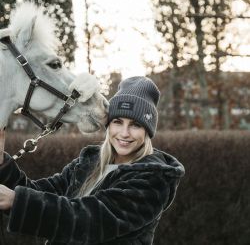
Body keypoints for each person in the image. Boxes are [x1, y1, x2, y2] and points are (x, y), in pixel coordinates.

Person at [0, 76, 185, 245]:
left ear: (147, 132)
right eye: (118, 121)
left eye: (136, 125)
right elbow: (40, 191)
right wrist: (2, 164)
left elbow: (88, 219)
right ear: (109, 124)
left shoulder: (153, 179)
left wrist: (17, 201)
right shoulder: (89, 163)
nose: (124, 133)